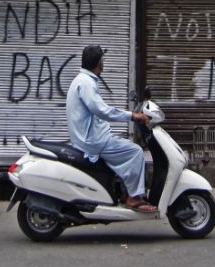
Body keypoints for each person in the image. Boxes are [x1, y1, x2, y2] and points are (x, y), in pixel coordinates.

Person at [65, 45, 157, 213]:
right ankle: (133, 197)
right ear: (98, 63)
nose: (104, 63)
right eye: (103, 60)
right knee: (135, 152)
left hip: (90, 137)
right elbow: (102, 111)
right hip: (93, 141)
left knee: (125, 146)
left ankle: (124, 191)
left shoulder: (82, 80)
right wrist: (132, 115)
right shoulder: (86, 83)